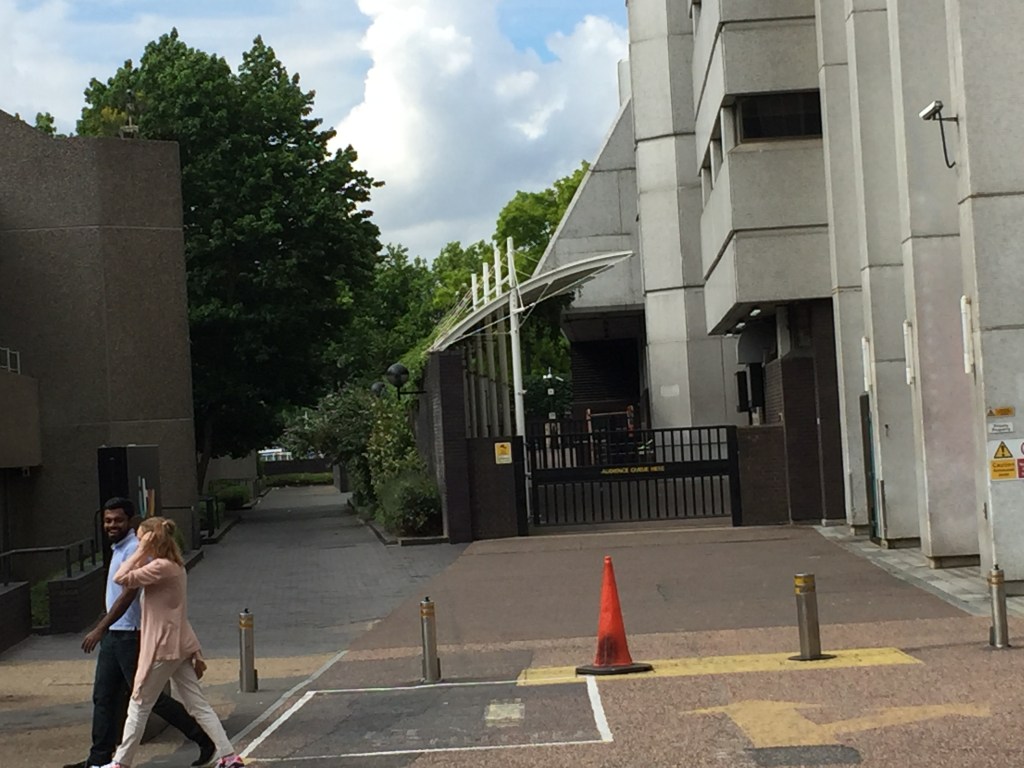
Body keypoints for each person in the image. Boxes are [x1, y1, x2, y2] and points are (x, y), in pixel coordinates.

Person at [65, 498, 216, 768]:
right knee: (104, 695)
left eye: (118, 520)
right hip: (115, 633)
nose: (112, 525)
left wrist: (99, 628)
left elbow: (127, 594)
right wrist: (106, 627)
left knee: (150, 699)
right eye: (108, 520)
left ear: (130, 522)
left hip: (130, 634)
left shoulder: (137, 549)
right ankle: (98, 759)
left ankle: (203, 738)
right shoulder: (120, 547)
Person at [103, 515, 244, 768]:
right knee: (197, 703)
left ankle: (120, 763)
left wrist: (140, 551)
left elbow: (121, 577)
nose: (137, 545)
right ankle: (228, 755)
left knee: (139, 704)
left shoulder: (160, 568)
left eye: (141, 540)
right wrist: (145, 550)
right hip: (178, 644)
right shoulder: (173, 565)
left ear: (150, 541)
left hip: (162, 647)